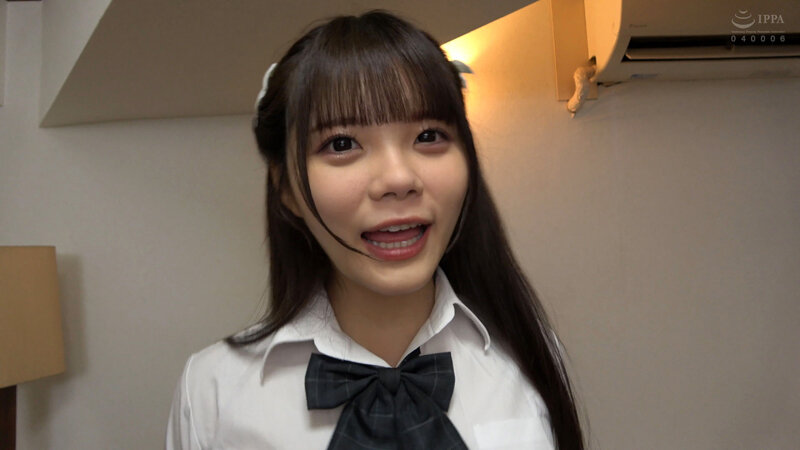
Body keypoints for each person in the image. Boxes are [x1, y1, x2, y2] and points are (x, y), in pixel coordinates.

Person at [166, 10, 585, 450]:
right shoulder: (213, 392)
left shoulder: (531, 355)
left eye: (428, 136)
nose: (399, 178)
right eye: (342, 143)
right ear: (285, 188)